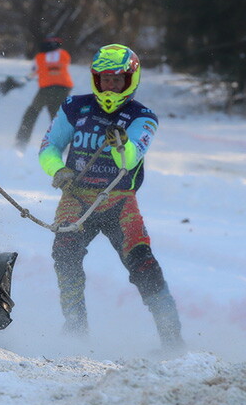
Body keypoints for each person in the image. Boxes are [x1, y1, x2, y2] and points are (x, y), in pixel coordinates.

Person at [39, 43, 184, 350]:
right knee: (64, 254)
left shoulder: (143, 117)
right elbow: (49, 145)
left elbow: (131, 158)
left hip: (119, 200)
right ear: (96, 78)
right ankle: (75, 329)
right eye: (105, 78)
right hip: (76, 197)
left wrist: (122, 147)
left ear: (130, 80)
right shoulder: (73, 107)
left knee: (143, 264)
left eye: (118, 79)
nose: (111, 85)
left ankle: (172, 339)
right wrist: (57, 169)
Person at [15, 36, 73, 149]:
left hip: (46, 90)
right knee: (59, 117)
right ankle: (64, 144)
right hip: (63, 90)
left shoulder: (40, 57)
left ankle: (21, 141)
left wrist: (24, 80)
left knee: (32, 112)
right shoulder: (64, 54)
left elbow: (32, 73)